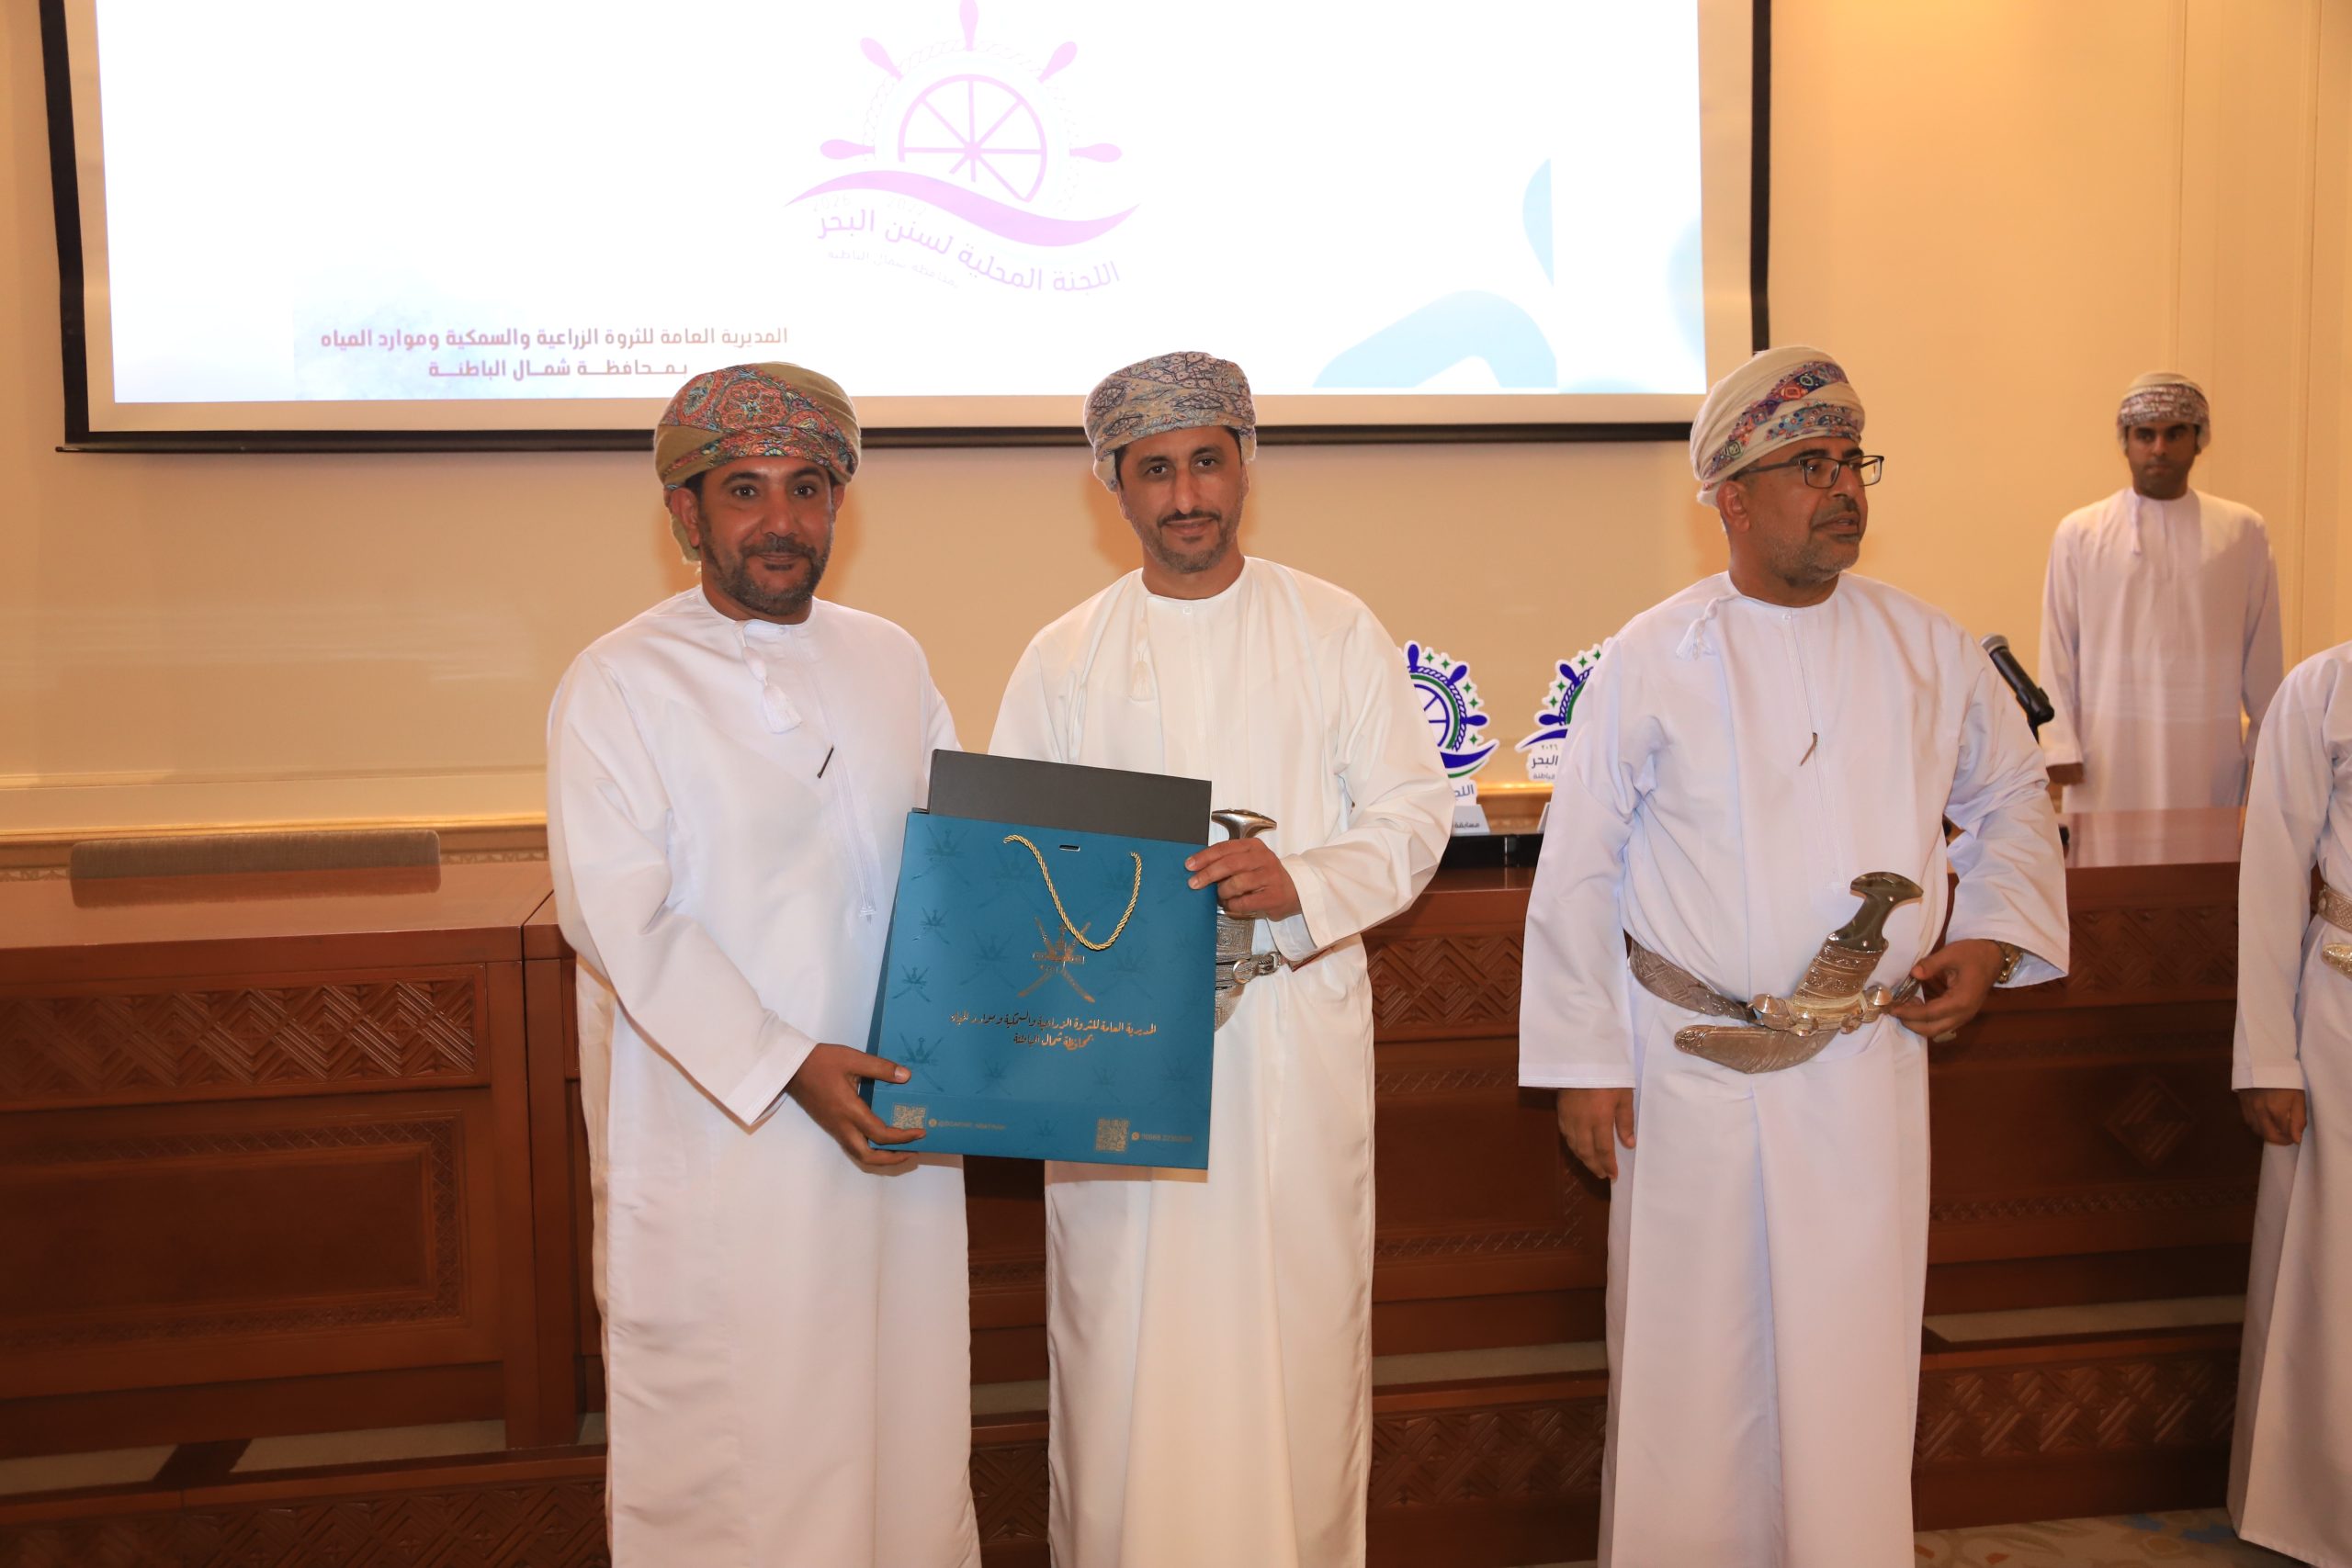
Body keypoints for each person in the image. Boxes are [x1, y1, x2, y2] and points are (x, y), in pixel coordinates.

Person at [1519, 346, 2071, 1567]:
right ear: (1731, 496)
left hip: (1861, 1073)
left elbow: (2012, 795)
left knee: (1849, 1356)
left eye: (1851, 462)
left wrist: (1989, 936)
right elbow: (1580, 865)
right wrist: (1582, 1061)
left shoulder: (1929, 649)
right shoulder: (1652, 655)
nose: (1843, 489)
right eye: (1809, 466)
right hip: (1686, 1069)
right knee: (1692, 1365)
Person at [989, 351, 1453, 1568]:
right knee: (1123, 1344)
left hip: (1288, 1038)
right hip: (1112, 1059)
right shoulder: (1063, 656)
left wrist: (1305, 881)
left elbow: (1413, 811)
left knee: (1293, 1341)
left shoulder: (1333, 627)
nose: (1186, 493)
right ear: (1114, 487)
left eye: (1207, 461)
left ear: (1246, 465)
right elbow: (1010, 864)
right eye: (1155, 470)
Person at [545, 364, 978, 1567]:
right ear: (684, 512)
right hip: (727, 1134)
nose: (779, 519)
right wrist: (787, 1062)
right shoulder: (618, 682)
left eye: (807, 487)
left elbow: (957, 866)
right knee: (752, 1449)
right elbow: (620, 917)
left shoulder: (892, 658)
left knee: (902, 1424)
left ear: (839, 503)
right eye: (744, 489)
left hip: (892, 1115)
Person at [2227, 638, 2352, 1566]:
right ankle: (2322, 1510)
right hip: (2344, 1015)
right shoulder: (2324, 689)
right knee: (2334, 1272)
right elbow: (2272, 872)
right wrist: (2267, 1057)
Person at [2038, 372, 2282, 810]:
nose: (2159, 448)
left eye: (2175, 434)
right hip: (2106, 754)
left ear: (2199, 440)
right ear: (2125, 442)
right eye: (2145, 435)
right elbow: (2057, 645)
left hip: (2207, 753)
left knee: (2206, 850)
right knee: (2108, 853)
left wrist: (2264, 747)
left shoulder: (2241, 531)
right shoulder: (2081, 532)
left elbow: (2262, 650)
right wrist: (2058, 745)